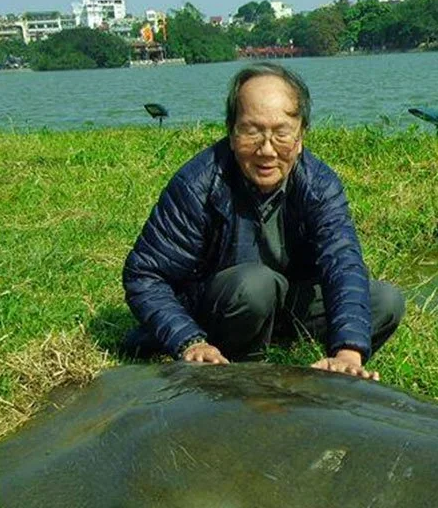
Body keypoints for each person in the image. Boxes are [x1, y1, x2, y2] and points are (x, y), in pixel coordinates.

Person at [122, 63, 404, 381]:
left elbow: (343, 264)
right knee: (254, 285)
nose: (267, 150)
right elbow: (145, 276)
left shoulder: (320, 184)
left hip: (285, 307)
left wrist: (348, 352)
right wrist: (190, 341)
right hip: (216, 310)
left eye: (281, 133)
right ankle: (241, 368)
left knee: (385, 300)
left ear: (300, 137)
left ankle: (295, 357)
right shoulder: (198, 183)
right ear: (231, 133)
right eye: (252, 131)